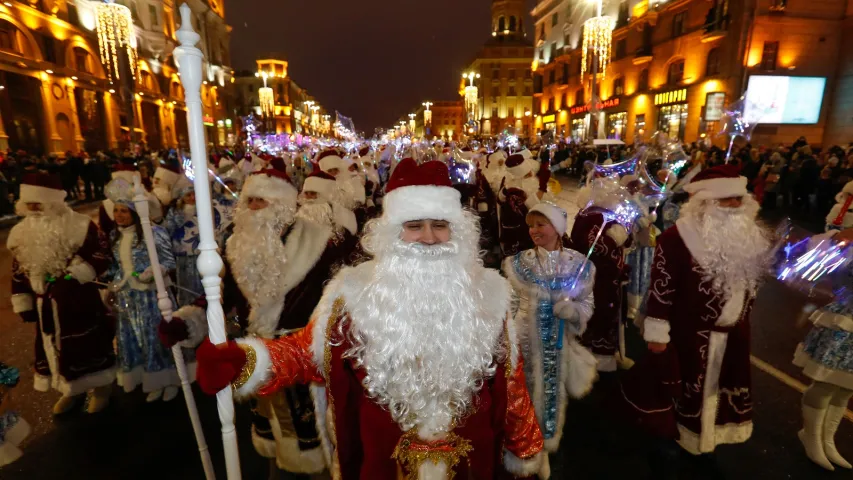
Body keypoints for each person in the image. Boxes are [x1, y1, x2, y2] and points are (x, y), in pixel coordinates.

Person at [192, 158, 548, 479]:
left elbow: (511, 383)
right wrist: (243, 360)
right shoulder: (353, 294)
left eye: (439, 225)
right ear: (392, 234)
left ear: (458, 232)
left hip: (471, 463)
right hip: (384, 463)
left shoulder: (491, 294)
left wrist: (526, 450)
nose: (428, 238)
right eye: (414, 226)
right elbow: (306, 354)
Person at [162, 161, 357, 476]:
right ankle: (276, 466)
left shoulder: (322, 243)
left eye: (260, 200)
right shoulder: (235, 245)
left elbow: (344, 296)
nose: (252, 208)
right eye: (249, 200)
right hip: (254, 353)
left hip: (302, 358)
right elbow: (220, 295)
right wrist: (189, 321)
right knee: (270, 429)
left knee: (313, 441)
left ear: (281, 204)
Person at [633, 164, 772, 457]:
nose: (735, 205)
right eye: (726, 200)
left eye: (739, 199)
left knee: (725, 387)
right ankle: (687, 436)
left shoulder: (748, 236)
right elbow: (661, 288)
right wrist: (657, 332)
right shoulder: (676, 238)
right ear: (705, 202)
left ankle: (714, 435)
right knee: (689, 389)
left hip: (733, 332)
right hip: (691, 335)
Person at [8, 173, 116, 414]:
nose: (34, 208)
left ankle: (101, 387)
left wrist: (73, 275)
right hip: (44, 303)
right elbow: (18, 269)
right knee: (54, 348)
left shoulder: (79, 225)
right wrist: (23, 301)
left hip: (78, 299)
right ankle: (72, 390)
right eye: (30, 203)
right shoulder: (20, 232)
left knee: (87, 345)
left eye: (39, 203)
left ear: (54, 202)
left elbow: (101, 255)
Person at [503, 202, 597, 454]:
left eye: (540, 224)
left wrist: (574, 312)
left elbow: (586, 304)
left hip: (558, 343)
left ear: (557, 228)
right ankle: (525, 444)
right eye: (531, 226)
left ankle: (546, 440)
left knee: (551, 392)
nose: (533, 230)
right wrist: (509, 338)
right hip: (523, 341)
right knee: (522, 393)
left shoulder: (578, 264)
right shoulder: (519, 262)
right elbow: (510, 304)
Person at [104, 196, 185, 403]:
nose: (119, 215)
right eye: (116, 210)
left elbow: (168, 260)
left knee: (156, 337)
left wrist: (153, 271)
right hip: (127, 296)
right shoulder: (115, 235)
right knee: (133, 338)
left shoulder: (154, 232)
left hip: (151, 295)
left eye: (124, 211)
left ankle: (169, 380)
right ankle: (149, 379)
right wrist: (110, 279)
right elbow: (117, 266)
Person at [792, 225, 853, 471]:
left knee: (846, 388)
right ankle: (811, 437)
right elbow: (814, 256)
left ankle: (827, 441)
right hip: (845, 320)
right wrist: (839, 239)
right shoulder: (847, 239)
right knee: (826, 382)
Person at [569, 178, 634, 372]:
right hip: (596, 280)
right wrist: (615, 237)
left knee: (607, 316)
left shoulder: (608, 214)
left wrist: (625, 233)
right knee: (599, 318)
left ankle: (604, 357)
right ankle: (596, 361)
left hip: (608, 278)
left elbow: (626, 242)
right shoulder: (591, 216)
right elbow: (595, 246)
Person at [164, 177, 222, 306]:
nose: (191, 198)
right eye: (188, 195)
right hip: (183, 254)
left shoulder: (205, 208)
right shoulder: (175, 211)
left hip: (200, 252)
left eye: (194, 194)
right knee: (186, 283)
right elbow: (168, 229)